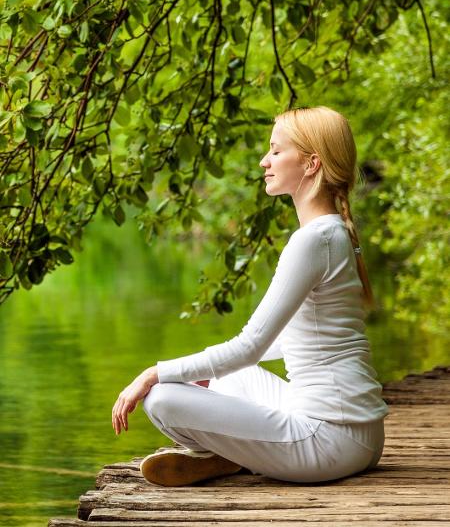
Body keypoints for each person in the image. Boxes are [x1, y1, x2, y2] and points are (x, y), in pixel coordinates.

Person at [111, 105, 389, 487]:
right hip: (361, 438)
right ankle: (229, 457)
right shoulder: (332, 232)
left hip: (329, 445)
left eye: (276, 151)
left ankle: (227, 455)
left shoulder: (313, 240)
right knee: (226, 376)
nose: (264, 161)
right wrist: (205, 376)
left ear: (311, 164)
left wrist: (153, 373)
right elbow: (290, 342)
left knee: (160, 398)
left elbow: (250, 345)